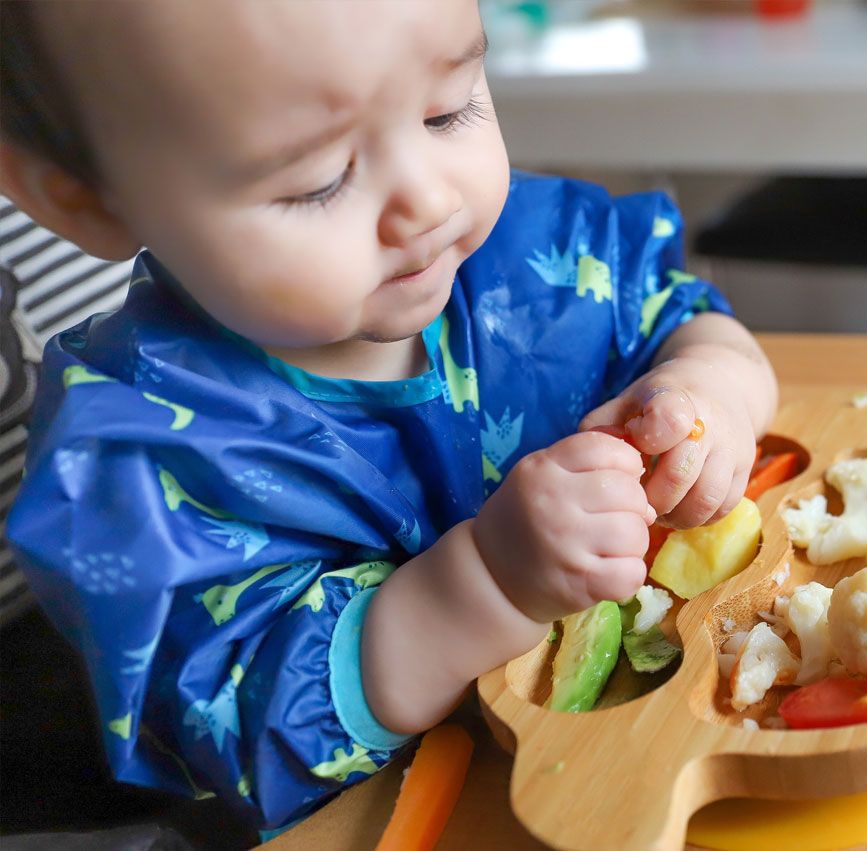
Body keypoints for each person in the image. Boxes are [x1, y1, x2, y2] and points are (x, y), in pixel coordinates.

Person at [0, 0, 777, 831]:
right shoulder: (138, 461)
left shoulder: (538, 257)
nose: (429, 201)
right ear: (89, 201)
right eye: (316, 180)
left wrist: (710, 391)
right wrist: (486, 583)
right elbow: (248, 731)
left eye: (451, 109)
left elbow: (681, 313)